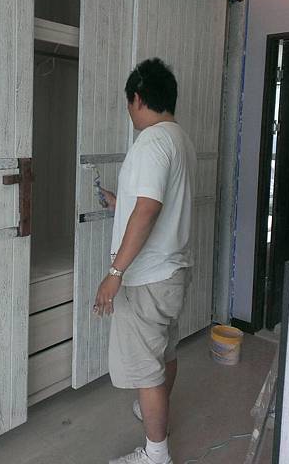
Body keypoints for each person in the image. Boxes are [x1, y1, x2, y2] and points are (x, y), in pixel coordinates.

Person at [94, 58, 197, 464]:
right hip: (172, 271)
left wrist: (114, 272)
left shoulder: (152, 142)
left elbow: (149, 208)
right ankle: (155, 414)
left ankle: (156, 455)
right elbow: (153, 204)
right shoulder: (179, 139)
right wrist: (119, 204)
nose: (129, 111)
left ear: (137, 98)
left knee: (146, 369)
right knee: (164, 352)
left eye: (128, 103)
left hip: (148, 278)